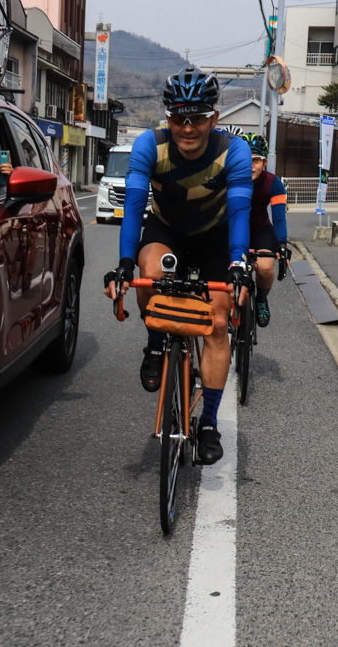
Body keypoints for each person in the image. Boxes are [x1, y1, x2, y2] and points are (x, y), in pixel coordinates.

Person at [102, 67, 252, 465]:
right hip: (166, 229)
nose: (188, 128)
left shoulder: (233, 151)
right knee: (150, 271)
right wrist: (124, 265)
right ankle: (155, 342)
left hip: (215, 236)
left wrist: (238, 263)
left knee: (218, 323)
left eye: (198, 117)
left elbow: (239, 211)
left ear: (214, 118)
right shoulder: (150, 145)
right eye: (179, 118)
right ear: (167, 117)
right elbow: (134, 207)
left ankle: (208, 422)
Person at [243, 133, 288, 327]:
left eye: (256, 160)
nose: (251, 165)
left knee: (265, 267)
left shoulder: (273, 182)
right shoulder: (227, 180)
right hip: (231, 230)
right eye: (245, 160)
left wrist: (282, 244)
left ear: (264, 163)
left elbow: (278, 217)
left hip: (260, 229)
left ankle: (261, 298)